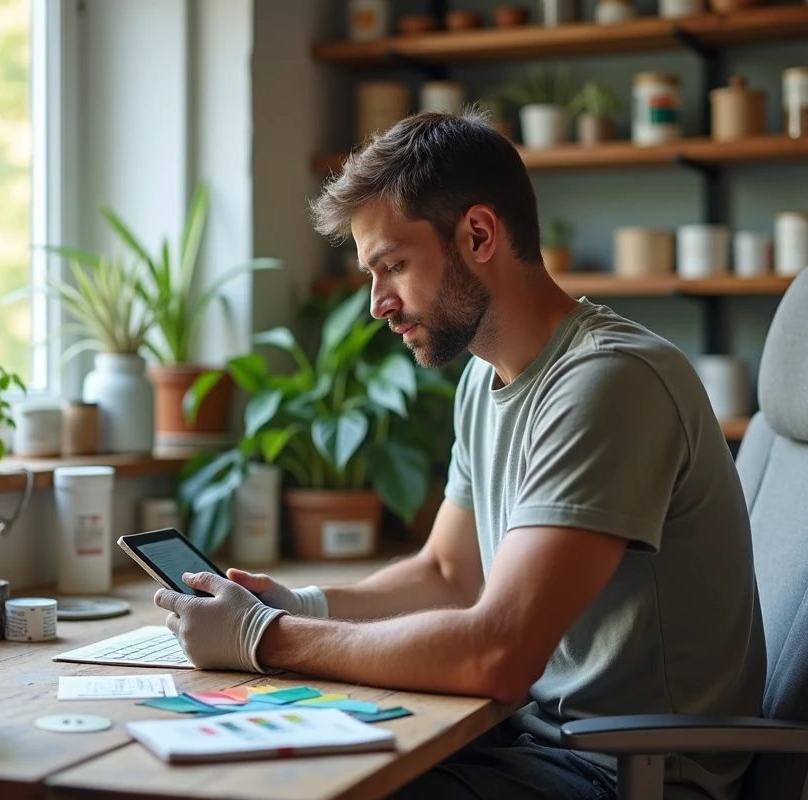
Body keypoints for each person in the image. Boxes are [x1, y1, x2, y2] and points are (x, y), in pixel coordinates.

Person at [154, 111, 766, 800]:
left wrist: (266, 636)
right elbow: (448, 573)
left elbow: (498, 654)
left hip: (628, 774)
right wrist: (306, 603)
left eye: (392, 266)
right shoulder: (484, 376)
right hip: (535, 743)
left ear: (478, 235)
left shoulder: (609, 381)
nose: (377, 304)